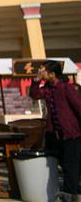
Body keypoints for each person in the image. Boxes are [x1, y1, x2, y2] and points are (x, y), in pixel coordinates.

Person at [30, 60, 81, 200]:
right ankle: (72, 192)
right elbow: (34, 95)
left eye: (44, 70)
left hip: (71, 134)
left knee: (71, 166)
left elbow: (79, 107)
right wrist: (35, 81)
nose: (41, 72)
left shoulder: (66, 88)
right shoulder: (48, 88)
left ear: (52, 74)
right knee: (65, 165)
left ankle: (70, 195)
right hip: (56, 135)